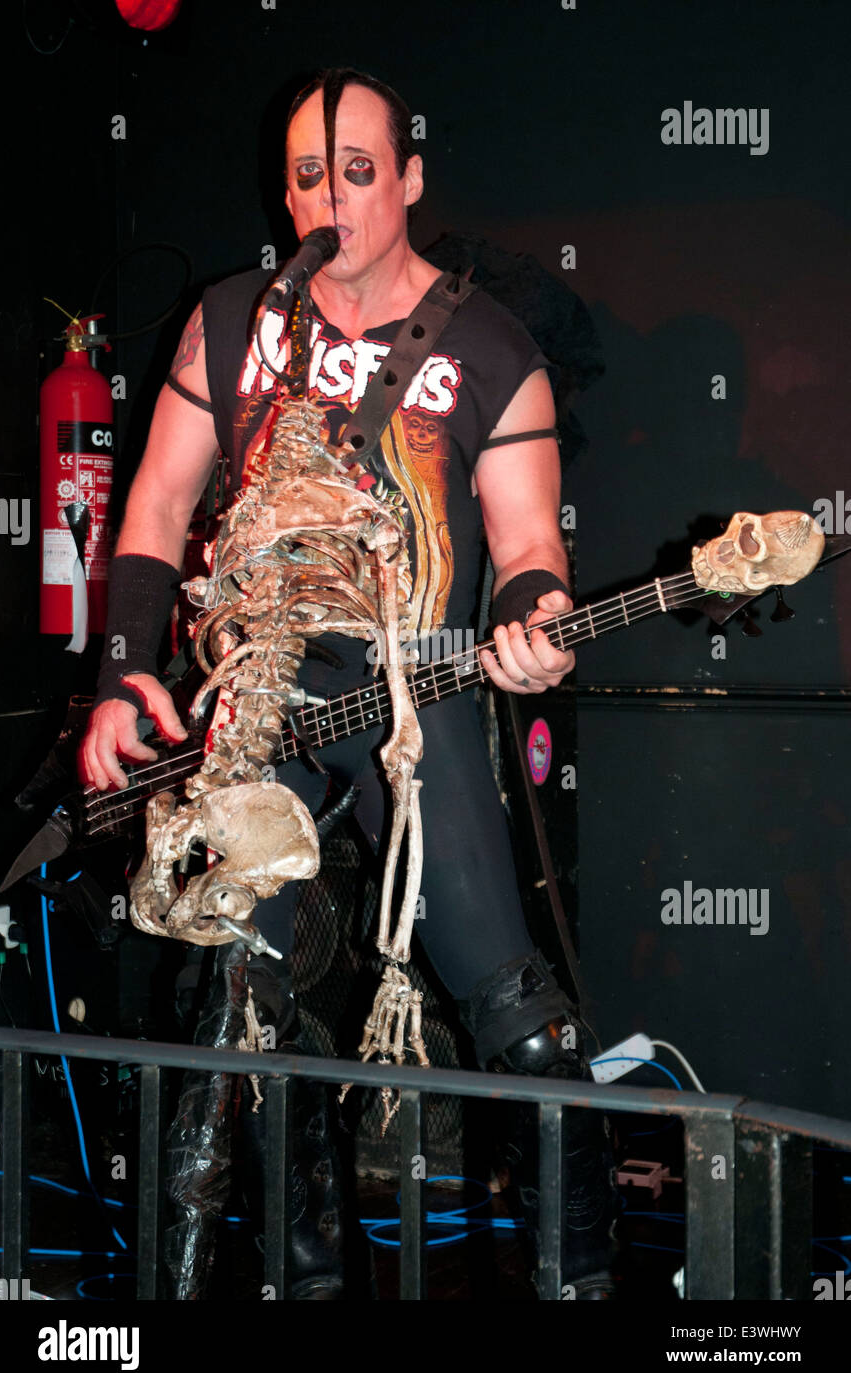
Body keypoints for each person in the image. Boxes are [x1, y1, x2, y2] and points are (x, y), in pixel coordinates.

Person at [79, 67, 616, 1299]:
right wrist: (118, 677)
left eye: (359, 170)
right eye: (311, 174)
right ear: (287, 189)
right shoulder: (234, 318)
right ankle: (304, 1285)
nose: (334, 195)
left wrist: (536, 616)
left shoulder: (488, 345)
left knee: (515, 1011)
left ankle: (582, 1285)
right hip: (265, 706)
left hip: (416, 700)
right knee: (242, 999)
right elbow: (158, 503)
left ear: (410, 180)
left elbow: (529, 546)